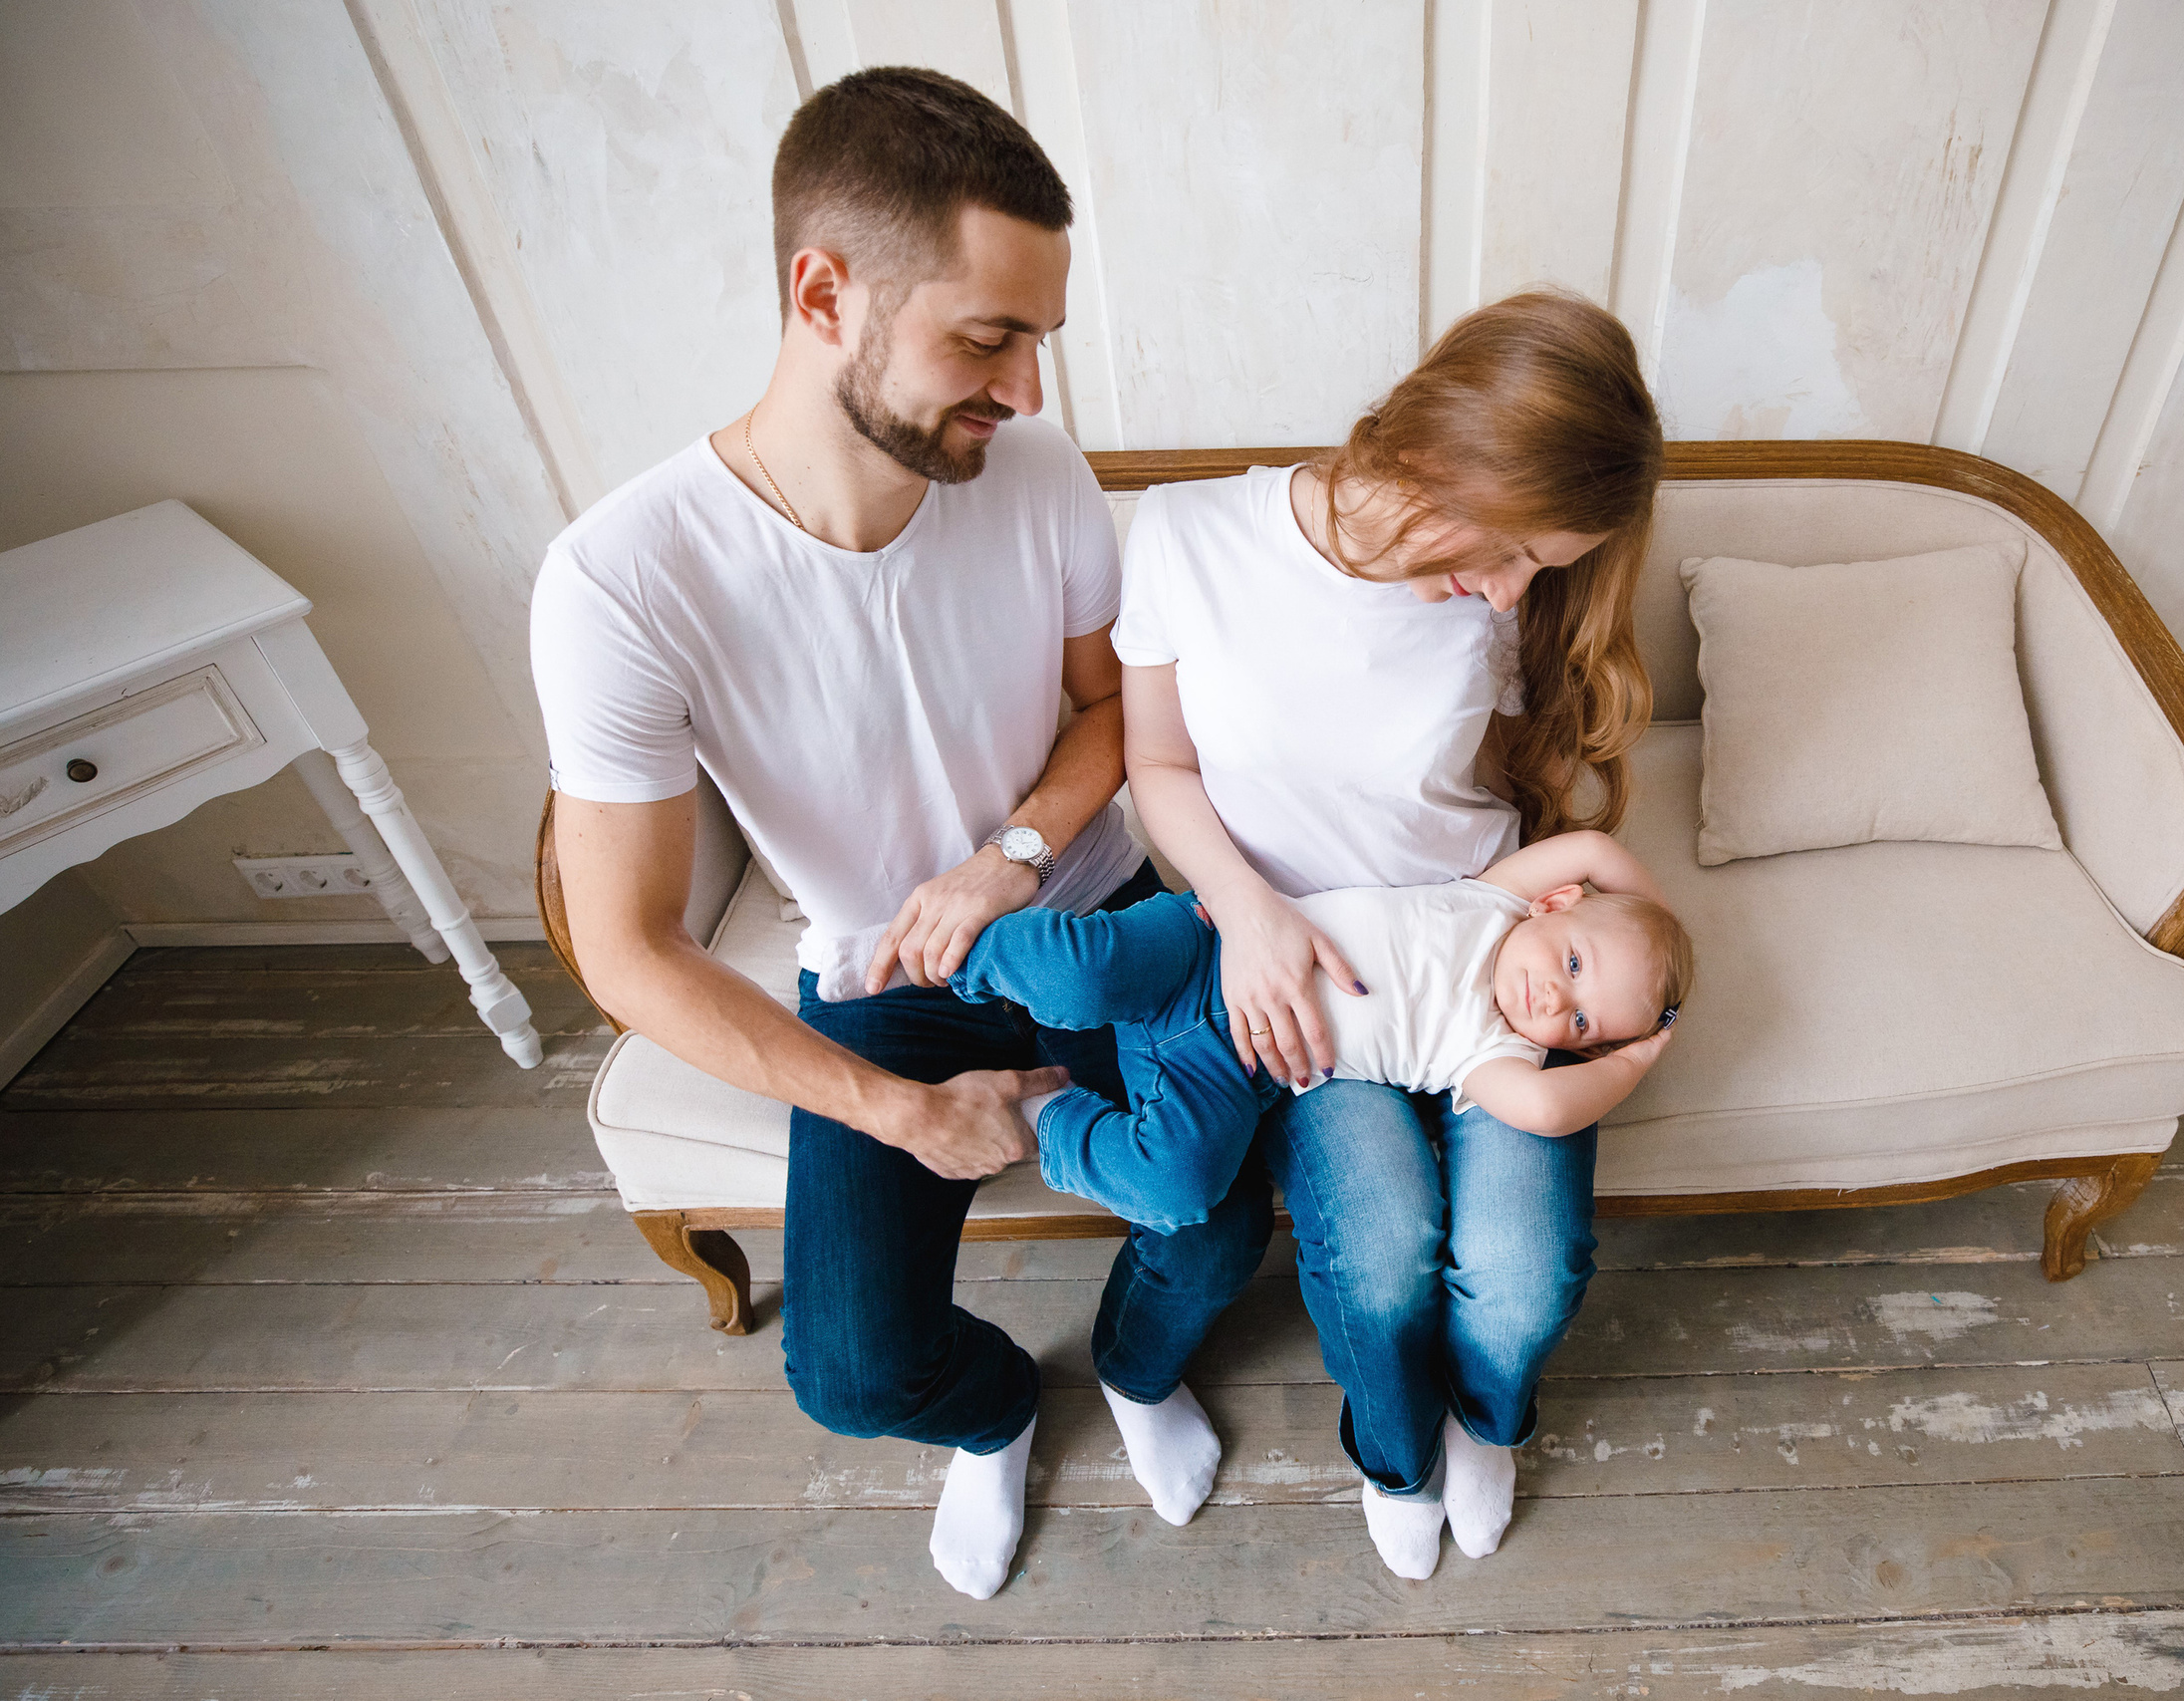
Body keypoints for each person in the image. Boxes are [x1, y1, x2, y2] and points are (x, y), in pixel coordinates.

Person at [528, 68, 1267, 1602]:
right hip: (882, 975)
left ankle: (1133, 1369)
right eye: (989, 337)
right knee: (854, 1372)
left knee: (1207, 1212)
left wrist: (1009, 848)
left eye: (1041, 340)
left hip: (1088, 909)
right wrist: (897, 1108)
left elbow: (1102, 720)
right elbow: (626, 947)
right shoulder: (621, 579)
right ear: (823, 294)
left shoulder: (1039, 475)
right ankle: (998, 1415)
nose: (1032, 390)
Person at [1113, 290, 1665, 1578]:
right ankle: (1396, 1450)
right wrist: (1247, 917)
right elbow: (1156, 762)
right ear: (1437, 452)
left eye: (1547, 563)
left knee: (1524, 1279)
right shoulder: (1191, 534)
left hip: (1486, 954)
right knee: (1378, 1267)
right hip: (1312, 969)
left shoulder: (1506, 595)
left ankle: (1488, 1419)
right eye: (1516, 545)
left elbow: (1520, 791)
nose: (1513, 590)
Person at [947, 830, 1690, 1235]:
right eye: (1573, 961)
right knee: (1081, 974)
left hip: (1230, 1068)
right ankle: (950, 956)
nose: (1556, 997)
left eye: (1582, 1021)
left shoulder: (1497, 1051)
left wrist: (1638, 1057)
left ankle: (1044, 1118)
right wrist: (1657, 927)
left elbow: (1550, 1111)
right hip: (1206, 946)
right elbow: (1594, 847)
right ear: (1553, 903)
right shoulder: (1493, 901)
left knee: (1180, 1187)